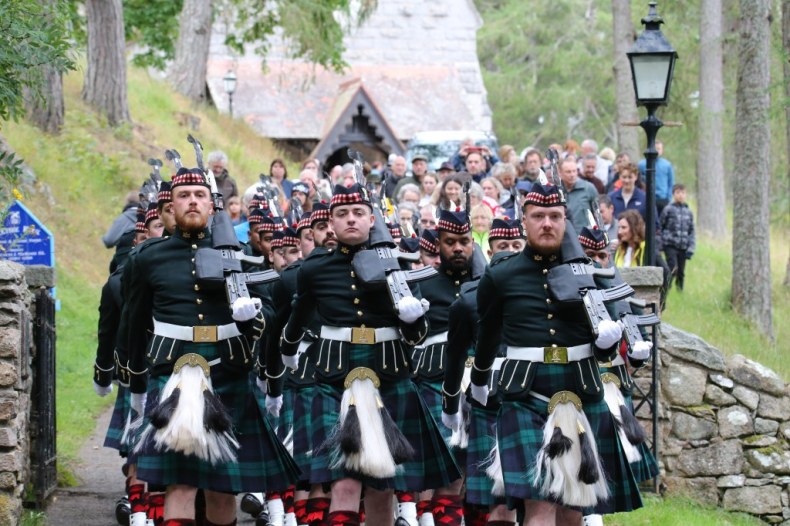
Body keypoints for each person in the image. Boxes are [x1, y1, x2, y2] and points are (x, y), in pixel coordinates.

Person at [280, 183, 461, 526]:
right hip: (335, 379)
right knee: (344, 482)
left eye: (358, 213)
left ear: (372, 218)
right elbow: (299, 316)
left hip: (389, 376)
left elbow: (418, 336)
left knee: (383, 487)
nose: (351, 220)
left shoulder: (398, 267)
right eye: (342, 214)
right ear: (330, 223)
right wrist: (287, 352)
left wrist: (412, 320)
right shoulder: (314, 270)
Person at [125, 167, 298, 525]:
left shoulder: (236, 253)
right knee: (179, 485)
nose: (192, 201)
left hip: (227, 371)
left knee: (223, 488)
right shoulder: (147, 258)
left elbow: (267, 310)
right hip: (172, 373)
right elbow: (134, 321)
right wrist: (137, 384)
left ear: (211, 204)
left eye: (199, 195)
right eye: (183, 195)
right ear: (170, 206)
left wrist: (251, 315)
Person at [469, 182, 630, 525]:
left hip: (580, 391)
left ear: (565, 221)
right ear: (523, 220)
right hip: (524, 395)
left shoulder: (589, 272)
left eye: (555, 216)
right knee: (540, 504)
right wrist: (480, 379)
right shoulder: (501, 275)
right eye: (538, 216)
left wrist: (606, 344)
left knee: (574, 506)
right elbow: (488, 333)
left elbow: (606, 340)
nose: (546, 223)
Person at [441, 218, 526, 526]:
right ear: (490, 251)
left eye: (517, 245)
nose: (511, 251)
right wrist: (450, 403)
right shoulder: (470, 297)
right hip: (488, 396)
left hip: (536, 393)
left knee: (543, 497)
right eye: (503, 246)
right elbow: (455, 354)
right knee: (495, 497)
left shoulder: (550, 289)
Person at [408, 208, 479, 526]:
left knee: (467, 469)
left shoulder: (485, 285)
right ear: (439, 244)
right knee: (436, 467)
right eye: (451, 242)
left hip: (478, 383)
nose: (459, 248)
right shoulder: (423, 284)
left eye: (465, 241)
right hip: (434, 381)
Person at [660, 184, 696, 290]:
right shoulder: (668, 209)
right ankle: (666, 287)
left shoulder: (689, 212)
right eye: (678, 193)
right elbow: (661, 226)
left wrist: (691, 248)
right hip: (670, 245)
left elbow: (691, 231)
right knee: (672, 268)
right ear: (673, 194)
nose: (680, 195)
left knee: (681, 272)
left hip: (683, 246)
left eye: (683, 193)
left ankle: (680, 290)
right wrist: (661, 243)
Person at [558, 157, 598, 235]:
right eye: (568, 172)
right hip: (563, 236)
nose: (572, 175)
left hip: (584, 237)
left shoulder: (588, 188)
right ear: (560, 173)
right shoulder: (556, 191)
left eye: (574, 171)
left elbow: (598, 214)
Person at [637, 140, 675, 215]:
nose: (656, 151)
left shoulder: (667, 165)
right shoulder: (641, 164)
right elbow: (639, 181)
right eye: (655, 148)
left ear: (662, 150)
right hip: (646, 197)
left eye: (659, 149)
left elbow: (671, 182)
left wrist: (669, 198)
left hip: (662, 199)